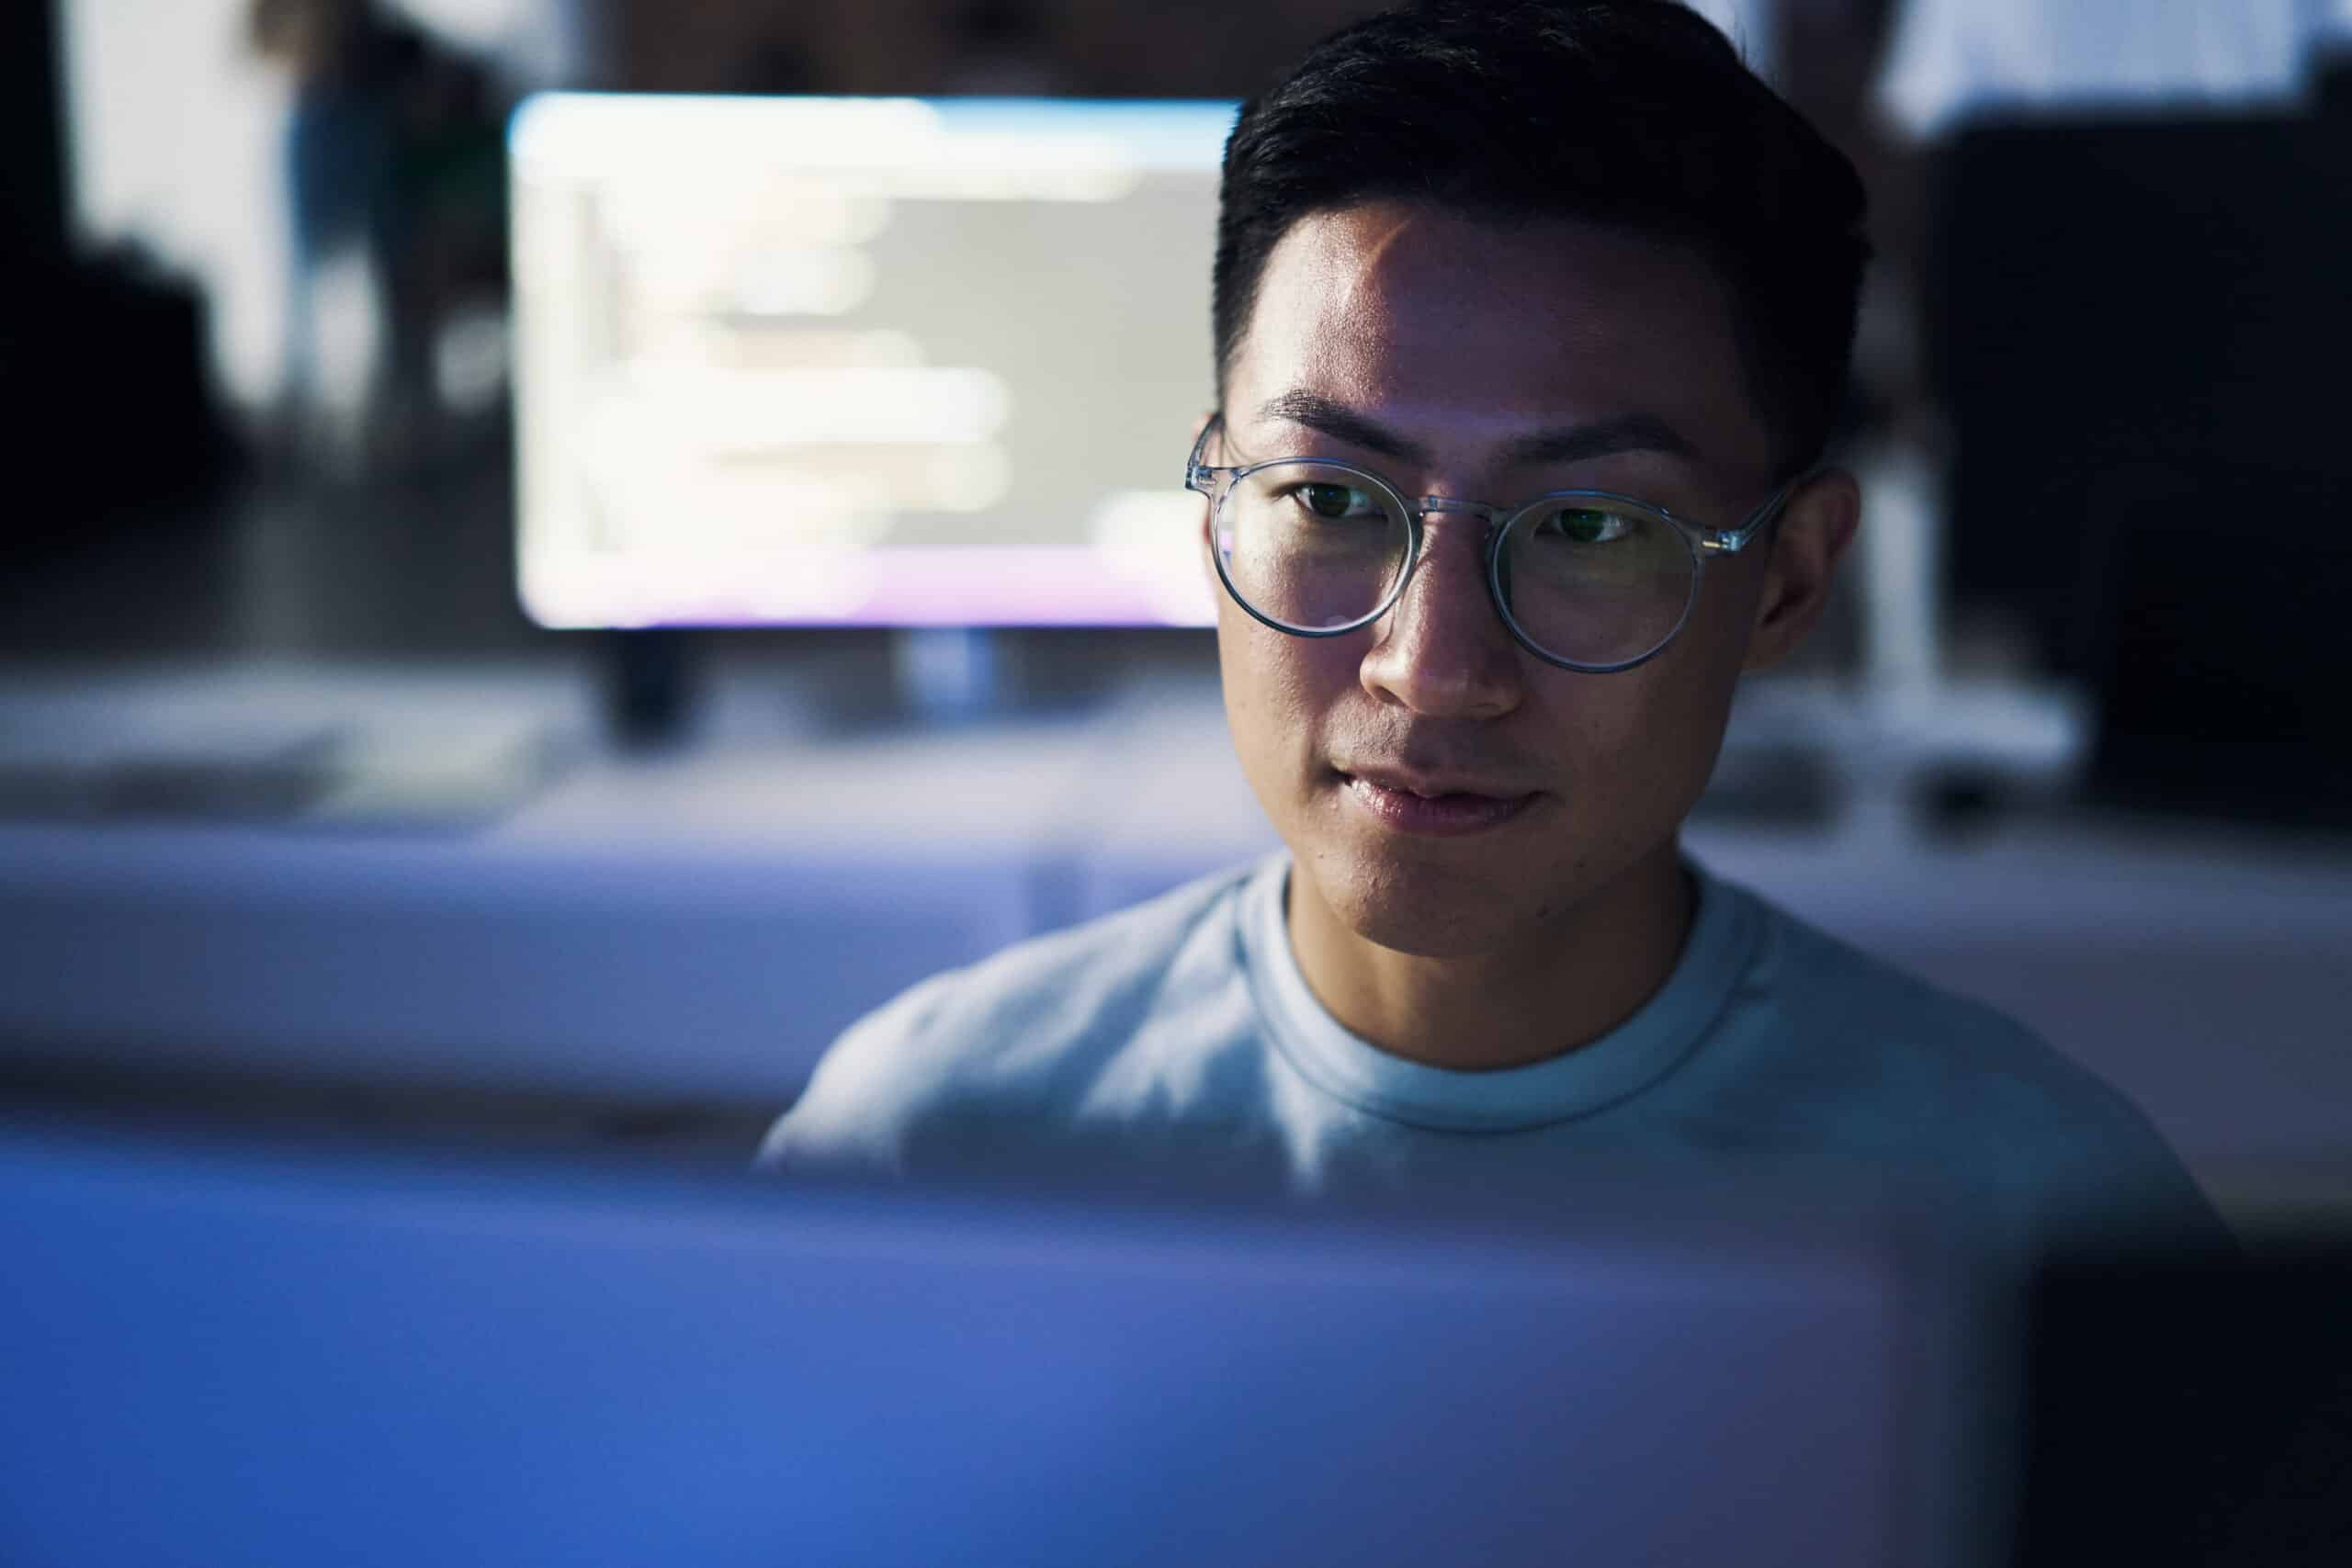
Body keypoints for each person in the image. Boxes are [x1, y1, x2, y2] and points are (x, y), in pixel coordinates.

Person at [762, 0, 2227, 1258]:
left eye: (1591, 528)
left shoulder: (2035, 1225)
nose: (1433, 666)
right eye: (1331, 497)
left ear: (1784, 580)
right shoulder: (932, 1153)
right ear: (1214, 505)